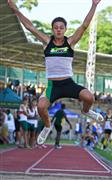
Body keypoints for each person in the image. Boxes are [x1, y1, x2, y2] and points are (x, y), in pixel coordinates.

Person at [8, 0, 103, 145]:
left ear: (65, 29)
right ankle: (47, 127)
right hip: (53, 86)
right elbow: (30, 27)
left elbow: (84, 26)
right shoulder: (47, 42)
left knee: (89, 97)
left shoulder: (70, 42)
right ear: (53, 29)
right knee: (41, 107)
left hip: (68, 83)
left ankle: (86, 111)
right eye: (56, 28)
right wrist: (15, 9)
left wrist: (94, 5)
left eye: (61, 27)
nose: (58, 30)